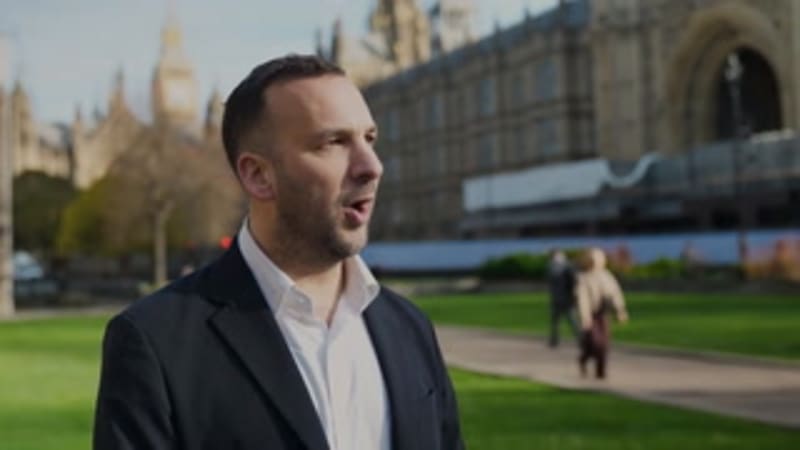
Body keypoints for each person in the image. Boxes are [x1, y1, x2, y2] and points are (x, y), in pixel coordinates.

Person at [93, 55, 464, 450]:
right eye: (334, 142)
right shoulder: (156, 341)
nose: (371, 166)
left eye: (369, 139)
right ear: (258, 175)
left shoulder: (409, 327)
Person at [575, 247, 629, 379]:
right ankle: (583, 359)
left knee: (604, 344)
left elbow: (615, 295)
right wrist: (585, 318)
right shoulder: (583, 278)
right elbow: (583, 300)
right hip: (591, 315)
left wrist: (620, 311)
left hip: (604, 314)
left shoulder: (607, 276)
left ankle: (601, 372)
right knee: (594, 343)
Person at [546, 249, 579, 347]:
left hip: (567, 300)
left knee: (573, 321)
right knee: (555, 322)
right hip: (556, 299)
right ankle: (554, 340)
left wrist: (573, 297)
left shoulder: (568, 267)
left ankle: (581, 340)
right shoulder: (551, 268)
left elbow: (573, 283)